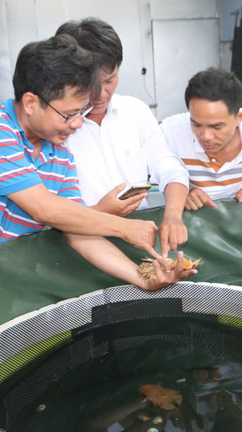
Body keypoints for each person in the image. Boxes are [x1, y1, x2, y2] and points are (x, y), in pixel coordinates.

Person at [0, 35, 194, 291]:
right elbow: (44, 208)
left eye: (81, 113)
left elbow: (77, 230)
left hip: (6, 286)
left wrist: (142, 278)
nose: (77, 124)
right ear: (31, 102)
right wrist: (125, 228)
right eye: (68, 115)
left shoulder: (59, 153)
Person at [57, 18, 189, 257]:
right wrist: (99, 212)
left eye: (110, 80)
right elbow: (48, 210)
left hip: (141, 240)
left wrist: (172, 215)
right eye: (89, 84)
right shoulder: (55, 126)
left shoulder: (135, 111)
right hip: (80, 249)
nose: (100, 94)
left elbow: (168, 166)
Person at [160, 68, 242, 211]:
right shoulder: (169, 132)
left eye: (216, 127)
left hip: (240, 212)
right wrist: (184, 191)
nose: (205, 136)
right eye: (196, 124)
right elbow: (154, 167)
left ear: (239, 118)